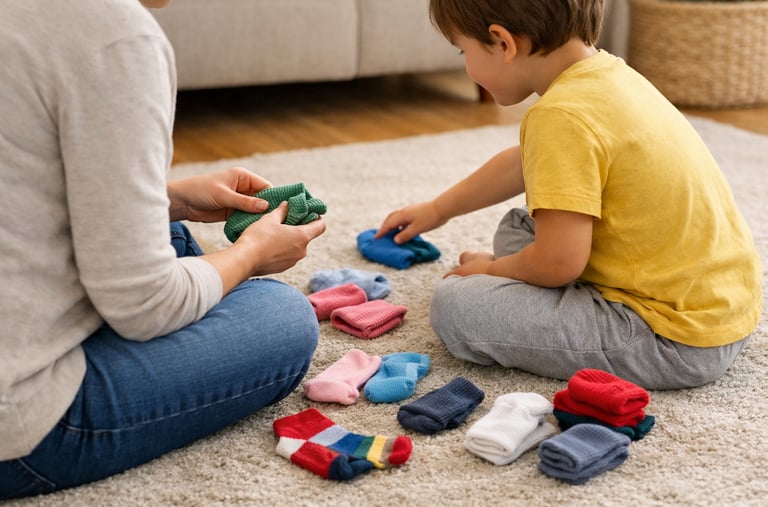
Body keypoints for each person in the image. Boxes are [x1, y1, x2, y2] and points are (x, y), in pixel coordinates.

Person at [0, 0, 325, 499]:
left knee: (170, 234)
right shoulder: (116, 37)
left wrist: (168, 197)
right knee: (283, 315)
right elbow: (146, 306)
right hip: (20, 427)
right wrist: (251, 256)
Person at [376, 0, 762, 391]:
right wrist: (439, 209)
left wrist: (491, 271)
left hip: (673, 338)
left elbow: (559, 263)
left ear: (503, 43)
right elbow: (524, 163)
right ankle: (531, 278)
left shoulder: (560, 116)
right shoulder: (612, 76)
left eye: (464, 51)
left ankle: (521, 283)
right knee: (519, 226)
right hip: (723, 304)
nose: (467, 66)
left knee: (455, 306)